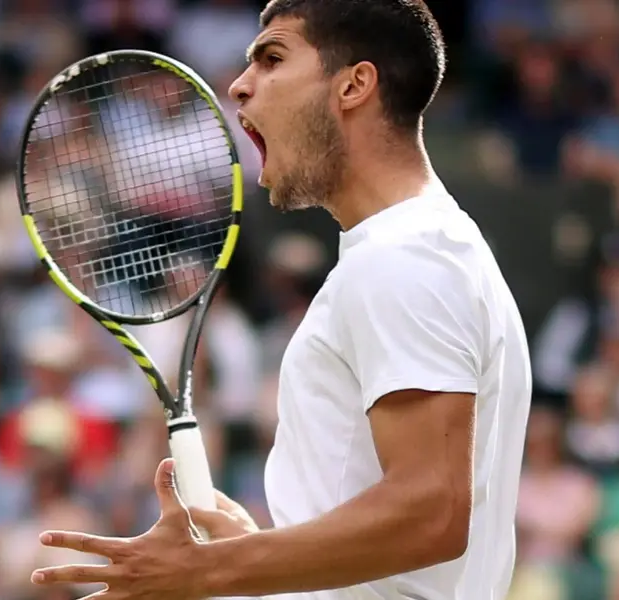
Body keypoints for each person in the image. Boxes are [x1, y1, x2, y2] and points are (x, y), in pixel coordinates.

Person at [29, 1, 533, 598]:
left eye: (273, 58)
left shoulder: (406, 256)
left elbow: (432, 513)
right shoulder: (425, 247)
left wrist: (208, 570)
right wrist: (255, 548)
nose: (240, 86)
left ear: (354, 85)